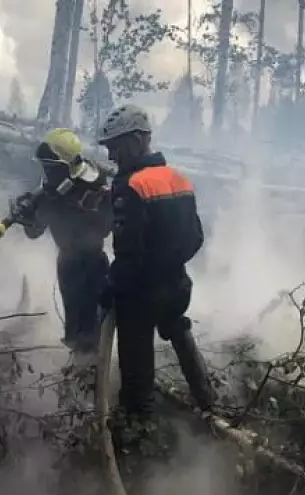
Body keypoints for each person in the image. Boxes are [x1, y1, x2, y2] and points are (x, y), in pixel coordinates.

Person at [96, 104, 214, 417]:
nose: (111, 158)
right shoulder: (177, 178)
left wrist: (112, 286)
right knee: (177, 328)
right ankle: (209, 402)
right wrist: (167, 265)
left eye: (115, 148)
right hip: (177, 286)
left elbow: (129, 253)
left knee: (136, 379)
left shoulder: (130, 186)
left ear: (136, 141)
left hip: (142, 295)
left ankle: (138, 437)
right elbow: (197, 238)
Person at [8, 128, 112, 354]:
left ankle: (96, 374)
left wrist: (80, 207)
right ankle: (78, 372)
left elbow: (105, 227)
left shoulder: (95, 185)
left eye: (50, 167)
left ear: (65, 166)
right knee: (75, 330)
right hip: (68, 263)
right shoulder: (49, 195)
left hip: (93, 264)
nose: (46, 172)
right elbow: (34, 232)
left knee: (95, 328)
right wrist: (26, 216)